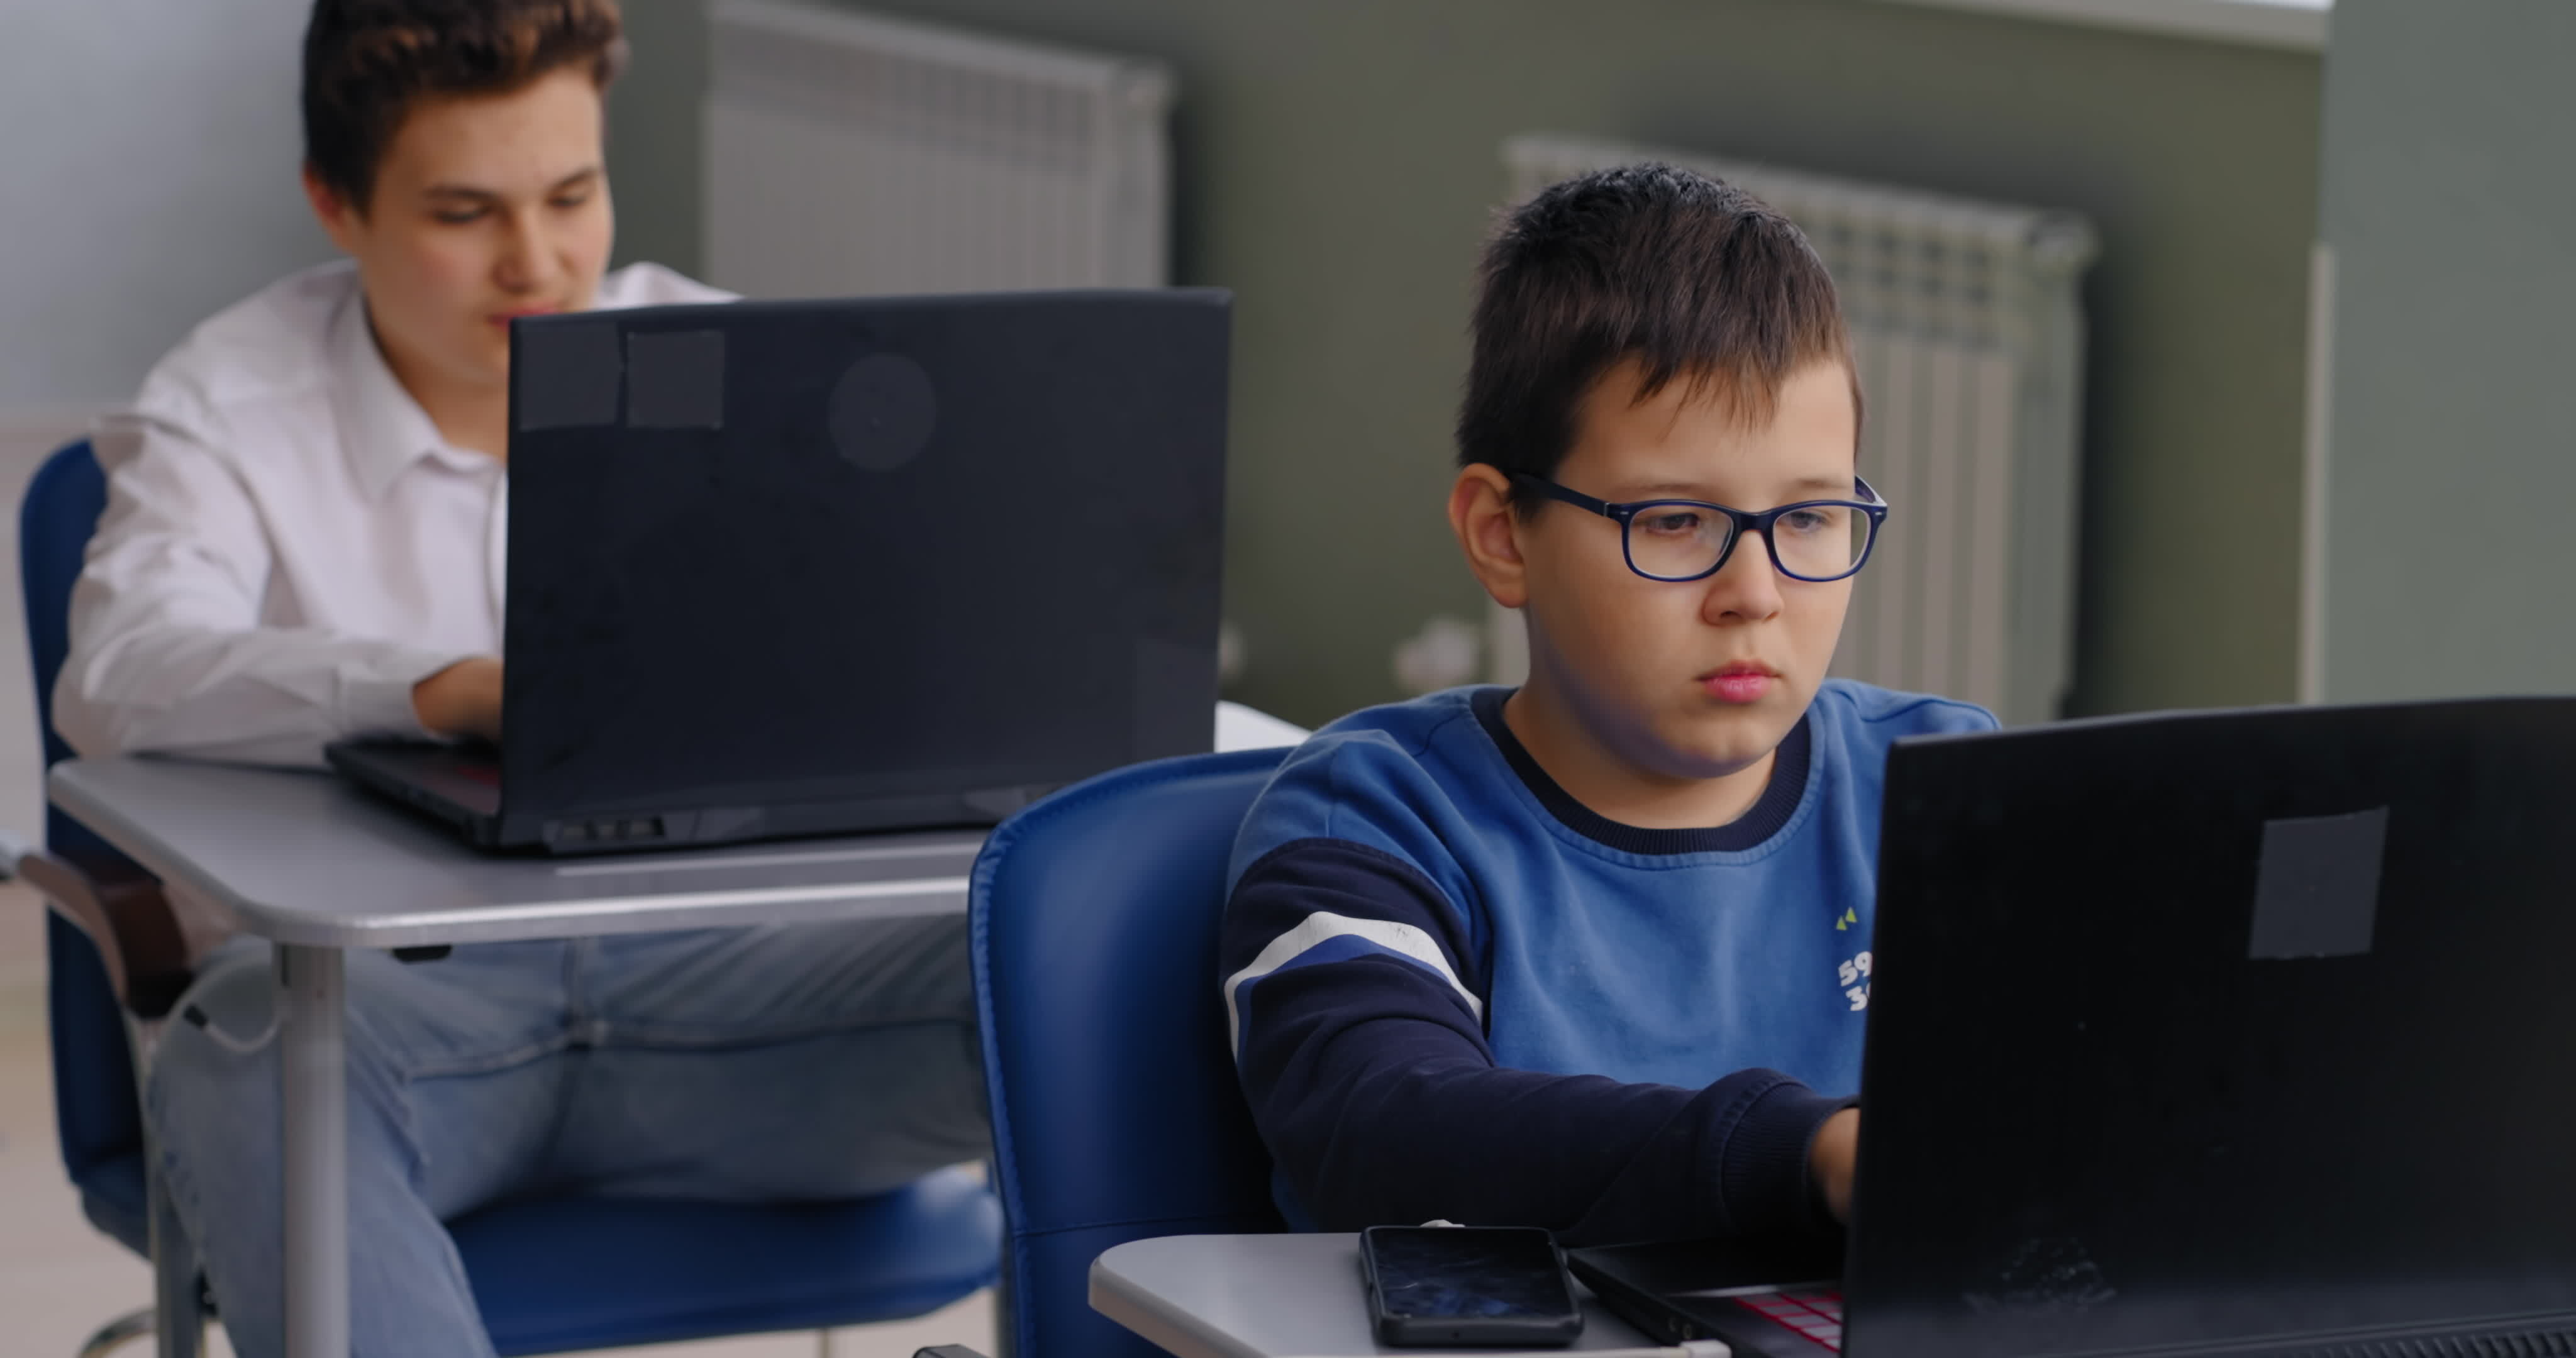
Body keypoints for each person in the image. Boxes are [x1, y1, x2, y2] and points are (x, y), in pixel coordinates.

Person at [53, 3, 988, 1353]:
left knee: (1095, 962)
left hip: (736, 1017)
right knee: (253, 1058)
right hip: (381, 1035)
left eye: (572, 194)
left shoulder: (730, 364)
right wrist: (439, 689)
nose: (537, 262)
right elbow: (126, 671)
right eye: (462, 212)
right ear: (336, 202)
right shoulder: (227, 403)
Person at [1218, 165, 1997, 1251]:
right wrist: (1812, 1155)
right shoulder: (1378, 817)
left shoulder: (1947, 782)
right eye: (1676, 521)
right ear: (1503, 533)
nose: (1756, 596)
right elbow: (1383, 1130)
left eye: (1812, 518)